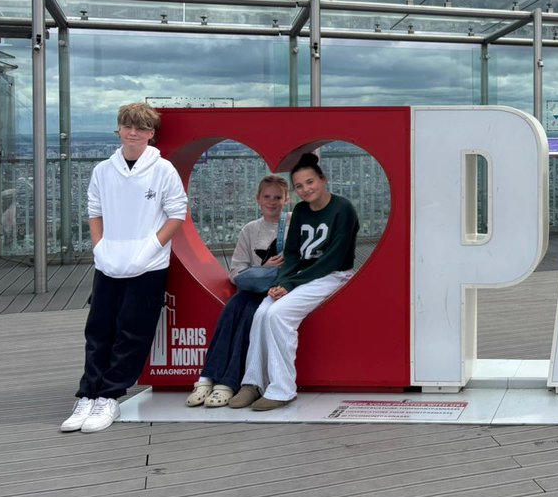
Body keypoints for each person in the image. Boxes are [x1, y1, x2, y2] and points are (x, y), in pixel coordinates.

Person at [61, 102, 188, 434]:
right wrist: (99, 245)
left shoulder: (164, 170)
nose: (133, 133)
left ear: (151, 134)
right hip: (108, 261)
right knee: (98, 329)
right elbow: (95, 209)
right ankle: (87, 394)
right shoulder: (104, 169)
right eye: (127, 126)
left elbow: (177, 214)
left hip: (148, 264)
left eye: (141, 128)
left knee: (133, 330)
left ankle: (110, 395)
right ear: (118, 129)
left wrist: (150, 247)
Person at [230, 152, 359, 411]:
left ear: (323, 180)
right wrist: (284, 280)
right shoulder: (300, 210)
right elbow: (291, 254)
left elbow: (332, 260)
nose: (305, 189)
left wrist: (291, 284)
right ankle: (253, 382)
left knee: (278, 315)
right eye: (299, 186)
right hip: (301, 276)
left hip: (331, 275)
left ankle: (282, 388)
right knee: (262, 312)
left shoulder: (342, 209)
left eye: (310, 182)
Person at [186, 175, 290, 408]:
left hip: (277, 291)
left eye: (277, 197)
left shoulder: (294, 224)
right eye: (267, 197)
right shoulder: (250, 229)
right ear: (258, 199)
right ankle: (206, 377)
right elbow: (236, 271)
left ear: (287, 199)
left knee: (248, 318)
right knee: (231, 309)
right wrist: (264, 269)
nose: (272, 202)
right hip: (254, 286)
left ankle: (228, 382)